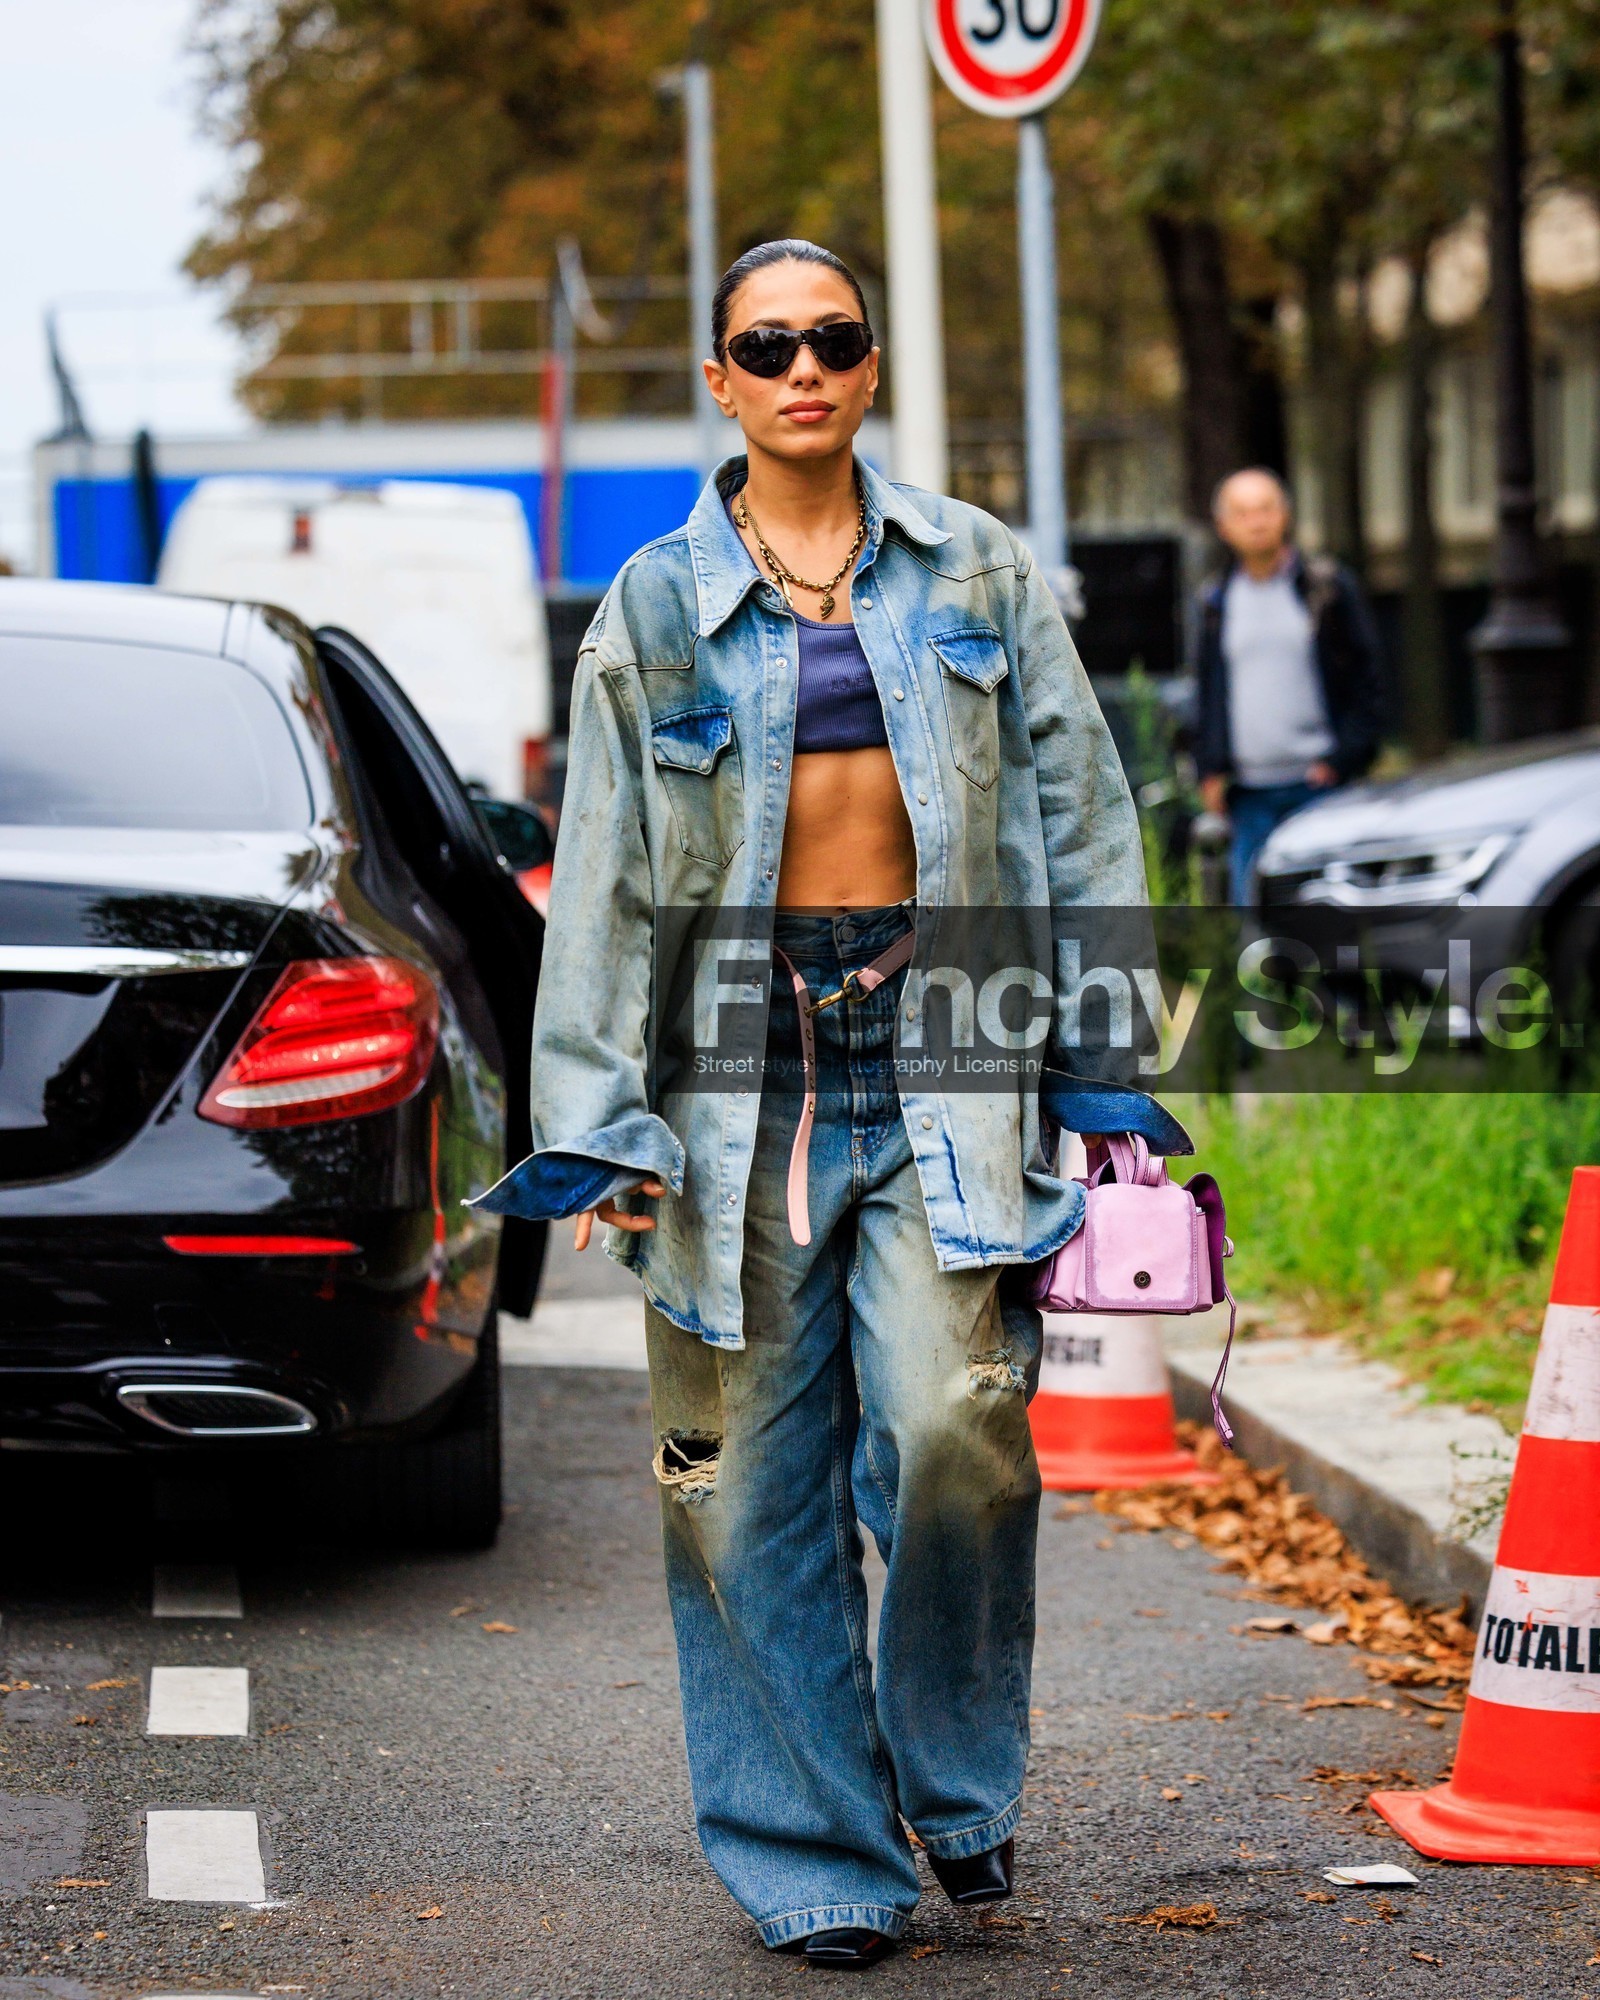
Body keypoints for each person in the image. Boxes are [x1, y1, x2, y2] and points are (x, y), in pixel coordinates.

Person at [473, 239, 1186, 1968]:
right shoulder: (652, 604)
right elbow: (616, 884)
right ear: (719, 380)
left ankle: (952, 1794)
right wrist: (608, 1125)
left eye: (834, 339)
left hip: (949, 1054)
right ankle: (821, 1860)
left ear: (871, 368)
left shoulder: (978, 571)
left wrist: (1102, 1063)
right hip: (740, 1080)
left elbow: (1081, 812)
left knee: (957, 1429)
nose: (803, 366)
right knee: (742, 1486)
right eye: (765, 345)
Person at [1194, 467, 1386, 898]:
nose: (1256, 521)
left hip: (1319, 787)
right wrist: (1209, 770)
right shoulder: (1214, 601)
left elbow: (1368, 682)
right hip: (1248, 797)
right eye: (1243, 512)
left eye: (1265, 509)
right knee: (1253, 924)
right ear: (1224, 527)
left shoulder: (1327, 589)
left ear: (1285, 515)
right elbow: (1208, 692)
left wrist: (1343, 760)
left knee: (1325, 918)